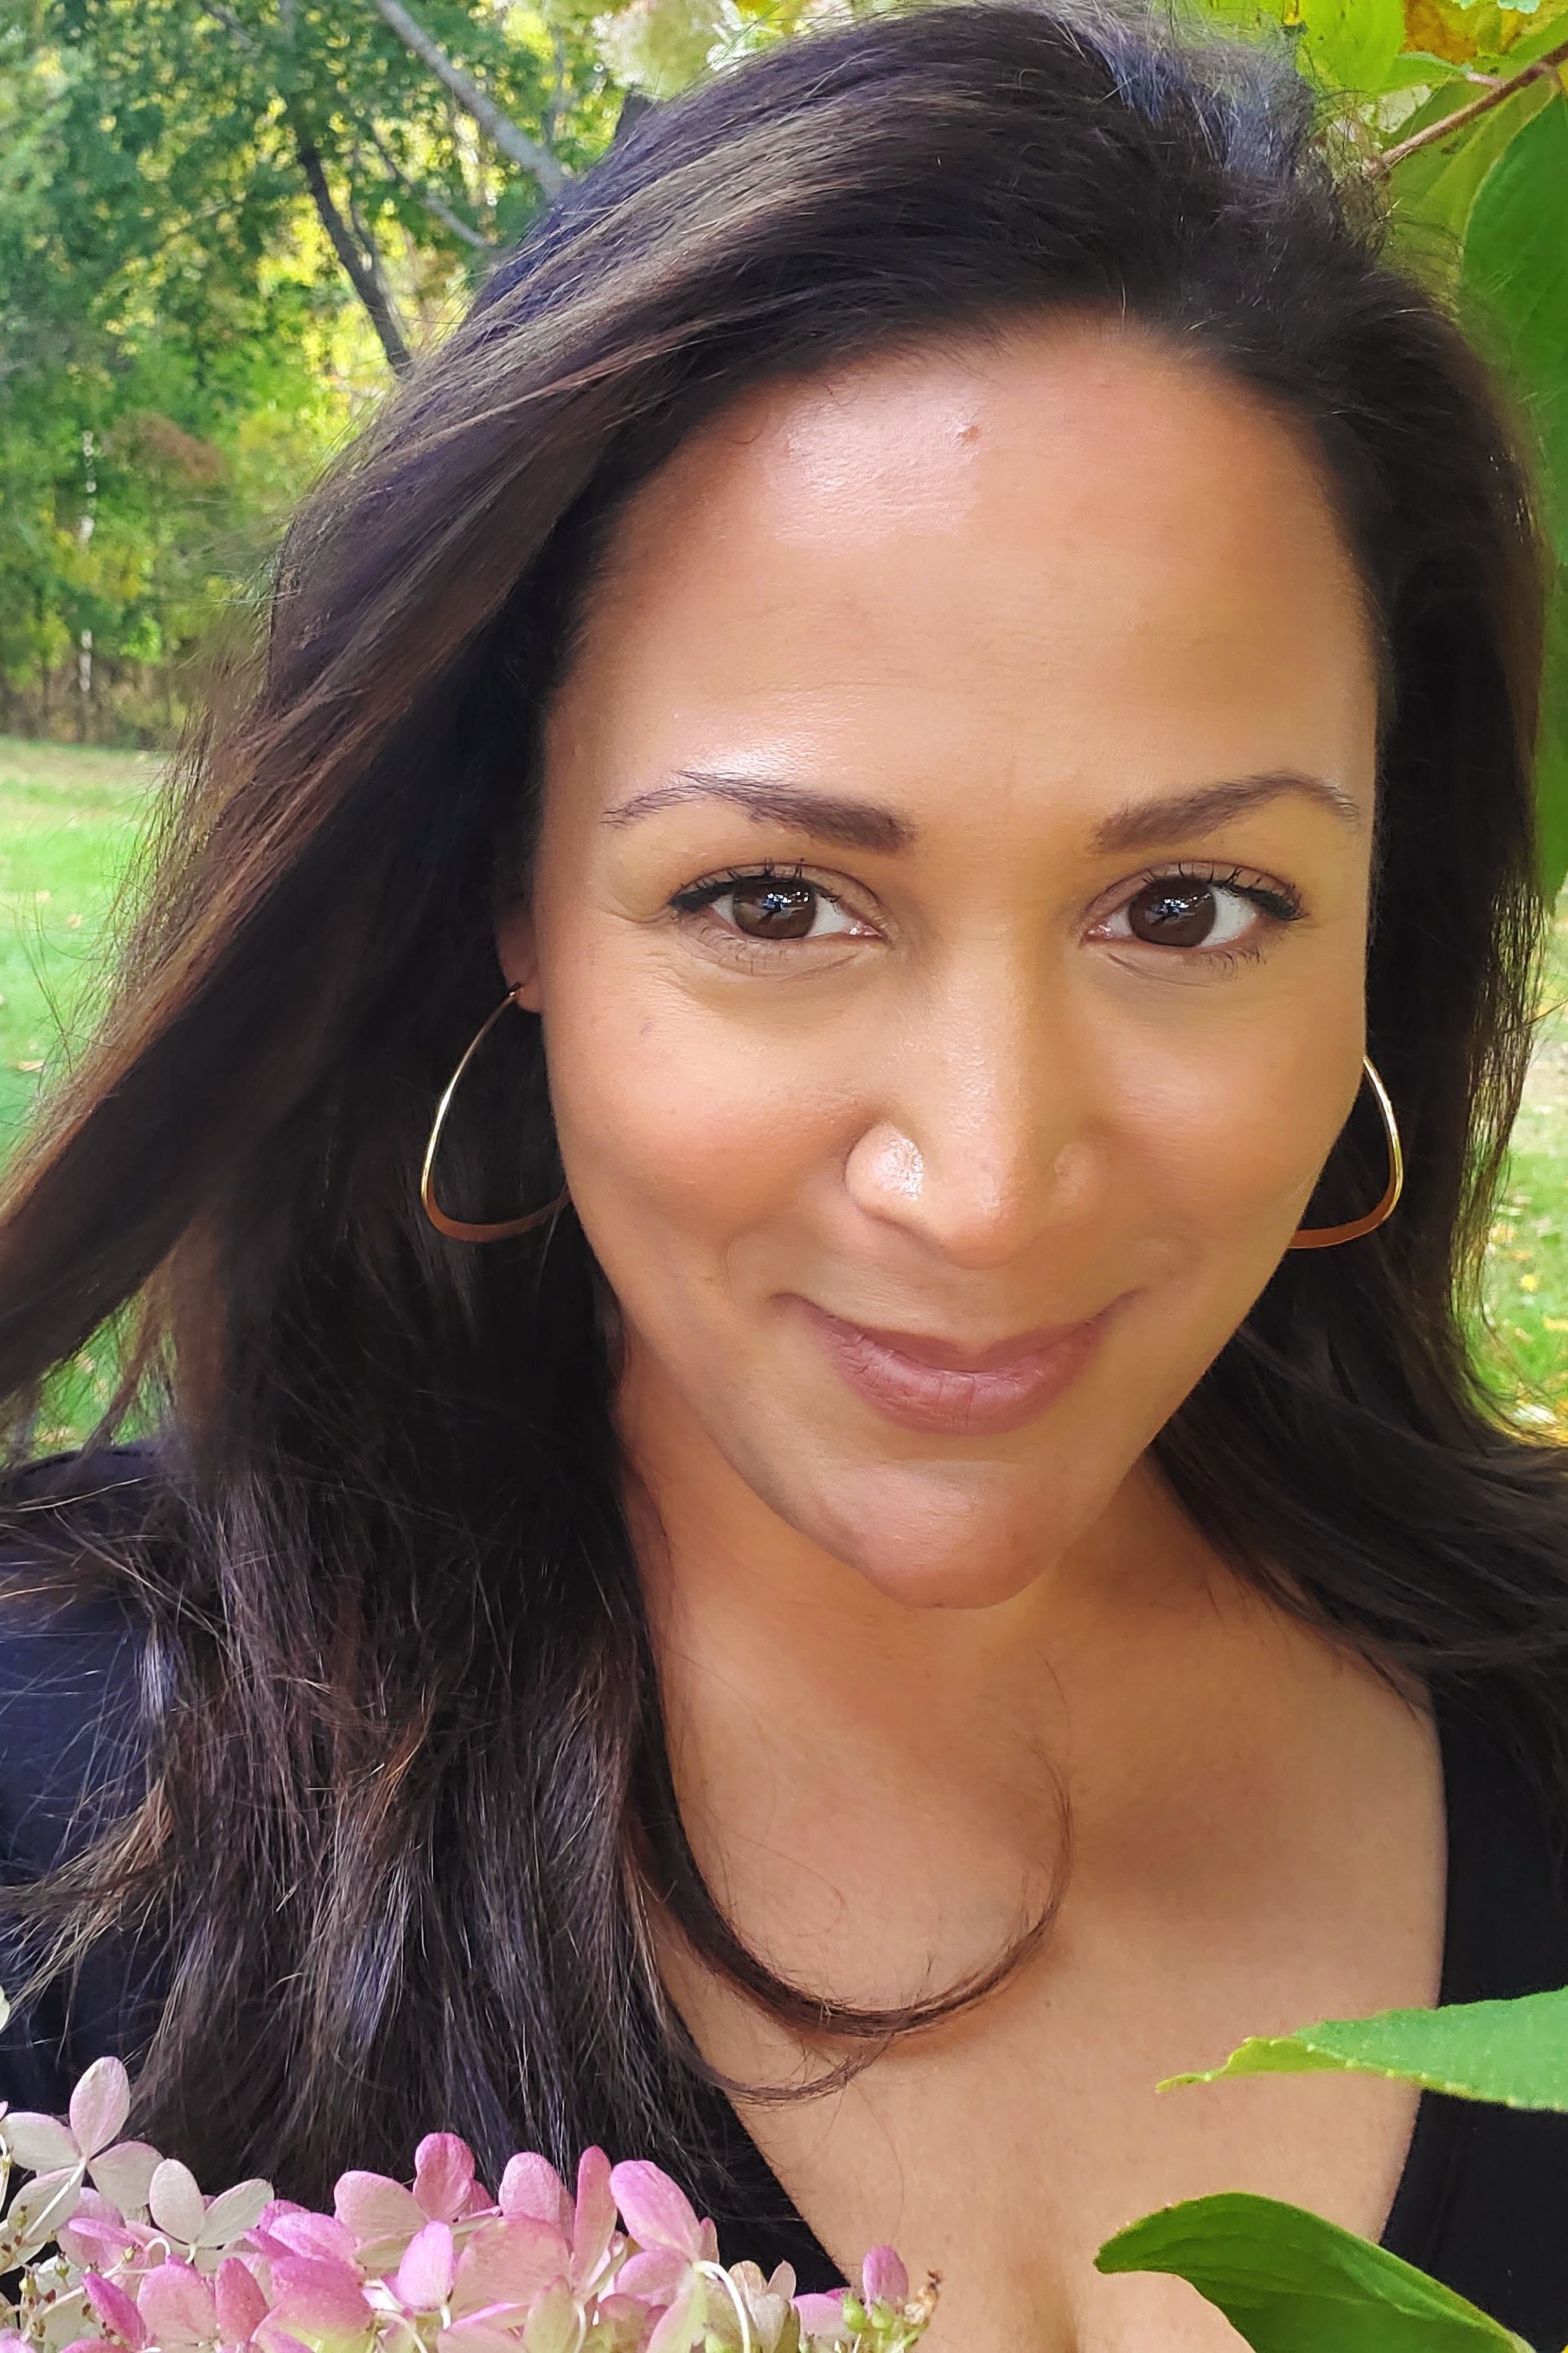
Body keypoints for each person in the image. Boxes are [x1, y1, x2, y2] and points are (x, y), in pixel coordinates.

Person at [1, 2, 1566, 2344]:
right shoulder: (57, 1824)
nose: (986, 1186)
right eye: (772, 900)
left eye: (1187, 908)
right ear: (514, 896)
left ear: (1382, 926)